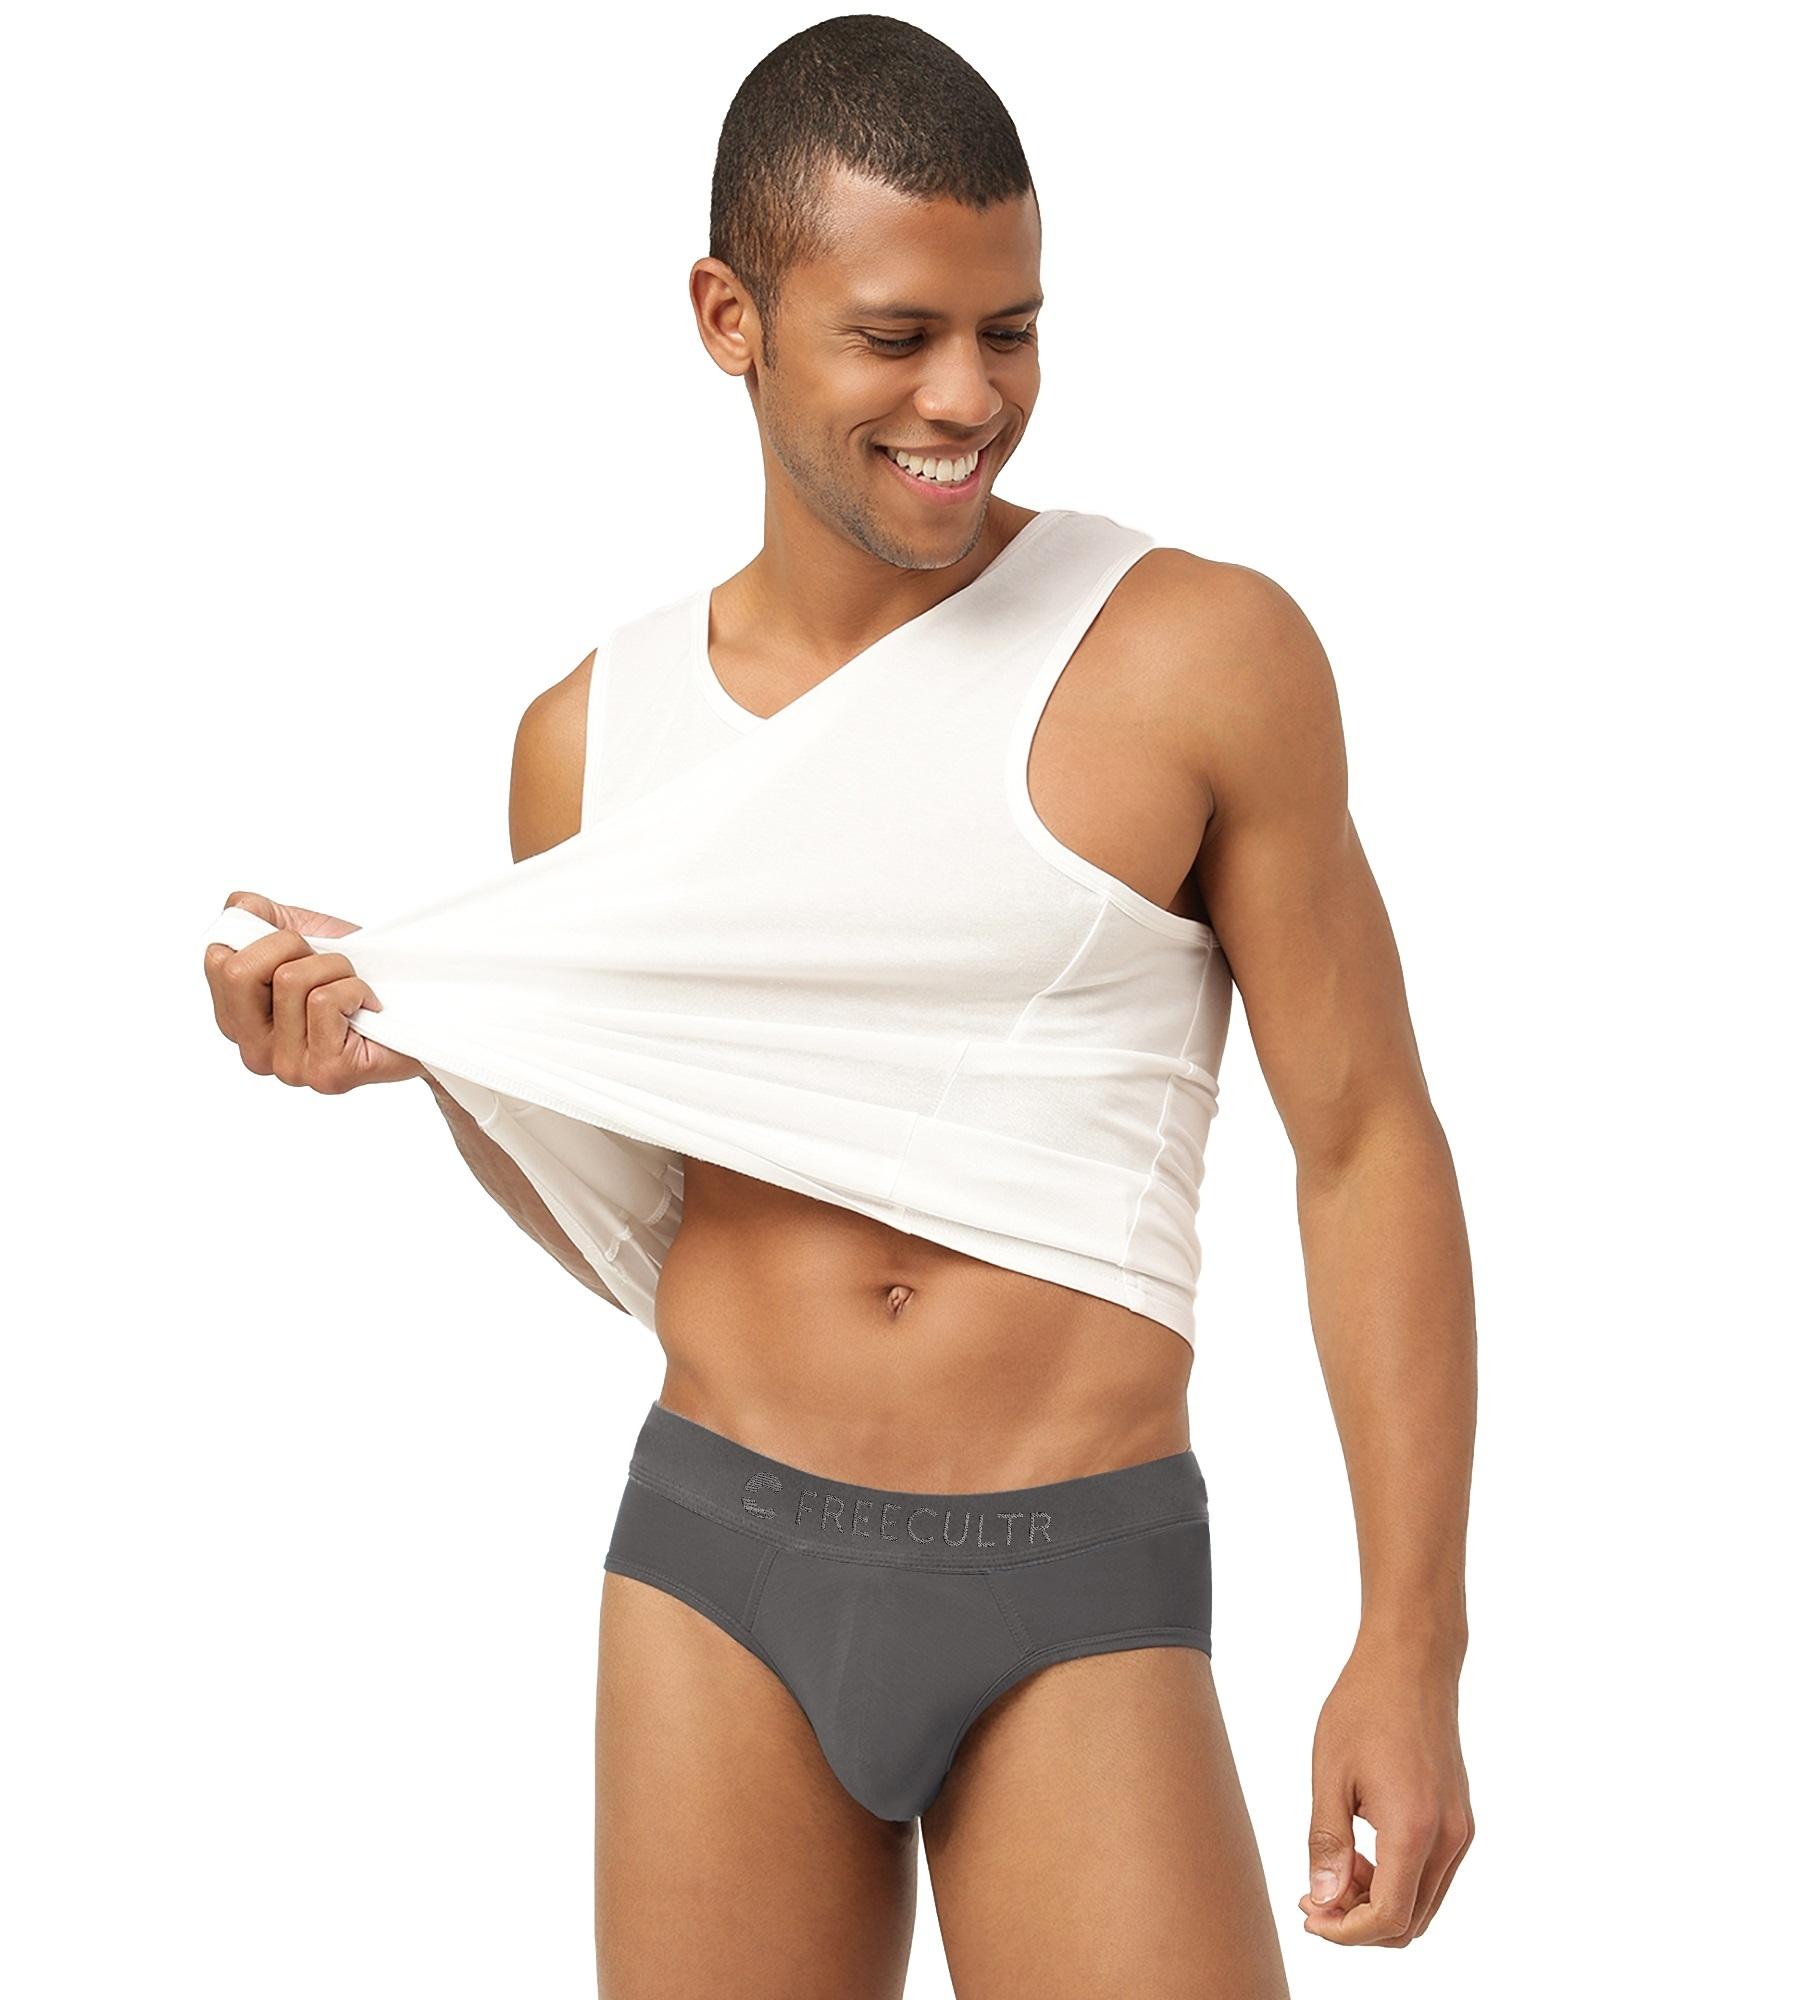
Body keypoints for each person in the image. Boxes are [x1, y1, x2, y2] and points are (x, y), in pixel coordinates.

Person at [201, 17, 1475, 1997]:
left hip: (1074, 1564)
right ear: (731, 317)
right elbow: (645, 1221)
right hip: (718, 1567)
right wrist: (428, 1057)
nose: (969, 398)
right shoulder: (589, 741)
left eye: (1011, 330)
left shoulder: (1195, 655)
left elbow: (1366, 1136)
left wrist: (1413, 1640)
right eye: (898, 336)